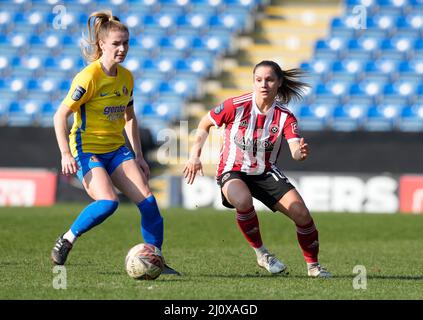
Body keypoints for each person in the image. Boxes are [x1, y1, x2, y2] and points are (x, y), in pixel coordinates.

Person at [50, 11, 179, 275]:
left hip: (116, 149)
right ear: (102, 45)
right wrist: (65, 154)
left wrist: (139, 156)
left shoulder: (127, 77)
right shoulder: (89, 77)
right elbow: (60, 115)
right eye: (116, 44)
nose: (122, 49)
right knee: (108, 203)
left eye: (126, 43)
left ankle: (155, 259)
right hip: (87, 149)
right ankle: (67, 239)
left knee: (149, 203)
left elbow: (129, 118)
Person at [183, 60, 331, 278]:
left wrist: (301, 152)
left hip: (265, 172)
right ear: (253, 82)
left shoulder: (285, 116)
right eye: (259, 80)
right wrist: (194, 156)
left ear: (279, 83)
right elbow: (205, 123)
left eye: (270, 80)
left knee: (302, 214)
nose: (264, 84)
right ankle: (262, 254)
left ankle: (313, 267)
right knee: (243, 201)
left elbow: (295, 152)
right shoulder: (236, 105)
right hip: (232, 169)